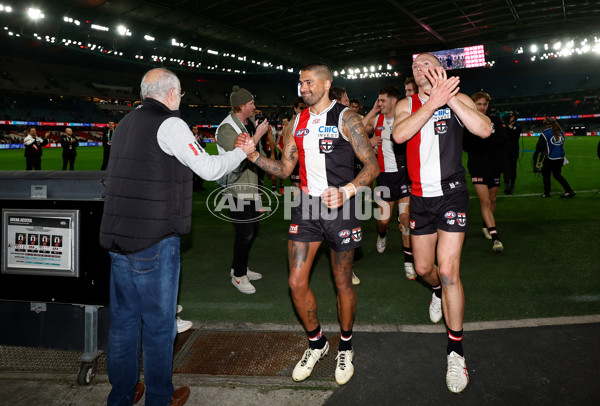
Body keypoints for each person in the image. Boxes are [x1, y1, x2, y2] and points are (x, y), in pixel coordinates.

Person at [99, 68, 255, 406]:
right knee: (159, 325)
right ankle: (159, 398)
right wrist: (246, 150)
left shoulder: (125, 123)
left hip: (117, 238)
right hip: (153, 240)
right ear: (171, 93)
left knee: (124, 323)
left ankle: (121, 395)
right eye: (181, 93)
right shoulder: (169, 124)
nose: (181, 99)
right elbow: (211, 169)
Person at [248, 63, 379, 385]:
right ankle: (317, 342)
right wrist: (252, 155)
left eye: (308, 82)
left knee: (342, 282)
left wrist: (347, 190)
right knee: (295, 282)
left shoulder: (347, 117)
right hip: (305, 207)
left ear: (326, 83)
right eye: (300, 83)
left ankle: (345, 346)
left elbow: (372, 165)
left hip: (342, 209)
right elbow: (283, 169)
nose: (302, 88)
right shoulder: (296, 123)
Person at [392, 53, 492, 394]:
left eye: (427, 65)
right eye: (415, 67)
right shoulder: (405, 105)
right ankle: (435, 291)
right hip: (421, 198)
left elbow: (484, 128)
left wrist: (447, 99)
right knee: (424, 269)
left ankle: (455, 352)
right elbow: (401, 136)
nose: (420, 70)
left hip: (452, 194)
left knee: (449, 271)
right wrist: (431, 103)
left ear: (441, 70)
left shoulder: (459, 98)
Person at [215, 86, 270, 294]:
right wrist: (258, 135)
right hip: (236, 187)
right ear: (241, 106)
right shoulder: (226, 128)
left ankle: (240, 267)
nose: (254, 107)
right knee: (245, 232)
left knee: (252, 230)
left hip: (250, 185)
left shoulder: (245, 124)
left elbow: (258, 153)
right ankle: (238, 275)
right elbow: (241, 156)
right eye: (251, 104)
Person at [362, 86, 416, 280]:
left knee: (405, 219)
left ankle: (408, 262)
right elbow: (357, 131)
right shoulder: (377, 120)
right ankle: (383, 234)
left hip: (404, 176)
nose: (379, 103)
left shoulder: (406, 117)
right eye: (378, 100)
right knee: (383, 220)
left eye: (382, 100)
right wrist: (370, 140)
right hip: (384, 178)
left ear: (394, 101)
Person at [463, 92, 506, 253]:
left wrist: (486, 138)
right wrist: (486, 138)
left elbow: (503, 140)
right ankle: (496, 237)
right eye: (479, 104)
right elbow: (466, 145)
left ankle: (486, 225)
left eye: (484, 104)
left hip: (494, 165)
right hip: (478, 165)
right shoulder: (467, 121)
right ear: (473, 104)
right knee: (485, 201)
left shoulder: (495, 120)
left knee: (493, 199)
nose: (482, 107)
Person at [533, 117, 575, 198]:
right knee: (557, 175)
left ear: (547, 124)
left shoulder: (545, 133)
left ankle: (546, 193)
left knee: (546, 175)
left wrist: (539, 158)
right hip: (560, 158)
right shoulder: (560, 132)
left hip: (549, 158)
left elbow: (539, 147)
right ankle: (569, 191)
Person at [503, 111, 522, 194]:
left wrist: (507, 128)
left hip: (514, 150)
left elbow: (512, 134)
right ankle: (507, 185)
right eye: (509, 116)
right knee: (505, 168)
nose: (510, 117)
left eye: (511, 116)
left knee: (513, 168)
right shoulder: (505, 126)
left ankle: (512, 185)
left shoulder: (518, 126)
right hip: (505, 150)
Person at [190, 125, 206, 191]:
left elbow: (204, 145)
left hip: (200, 158)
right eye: (194, 129)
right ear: (191, 130)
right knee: (193, 175)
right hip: (192, 159)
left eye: (197, 129)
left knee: (200, 173)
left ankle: (199, 187)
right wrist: (196, 141)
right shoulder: (189, 137)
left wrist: (198, 141)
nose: (196, 130)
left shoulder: (198, 137)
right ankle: (194, 188)